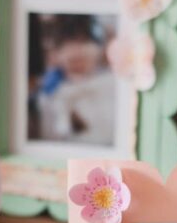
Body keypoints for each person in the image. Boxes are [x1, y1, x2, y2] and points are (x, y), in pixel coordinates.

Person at [30, 14, 116, 146]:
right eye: (65, 43)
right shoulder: (48, 95)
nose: (76, 51)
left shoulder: (112, 86)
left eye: (83, 40)